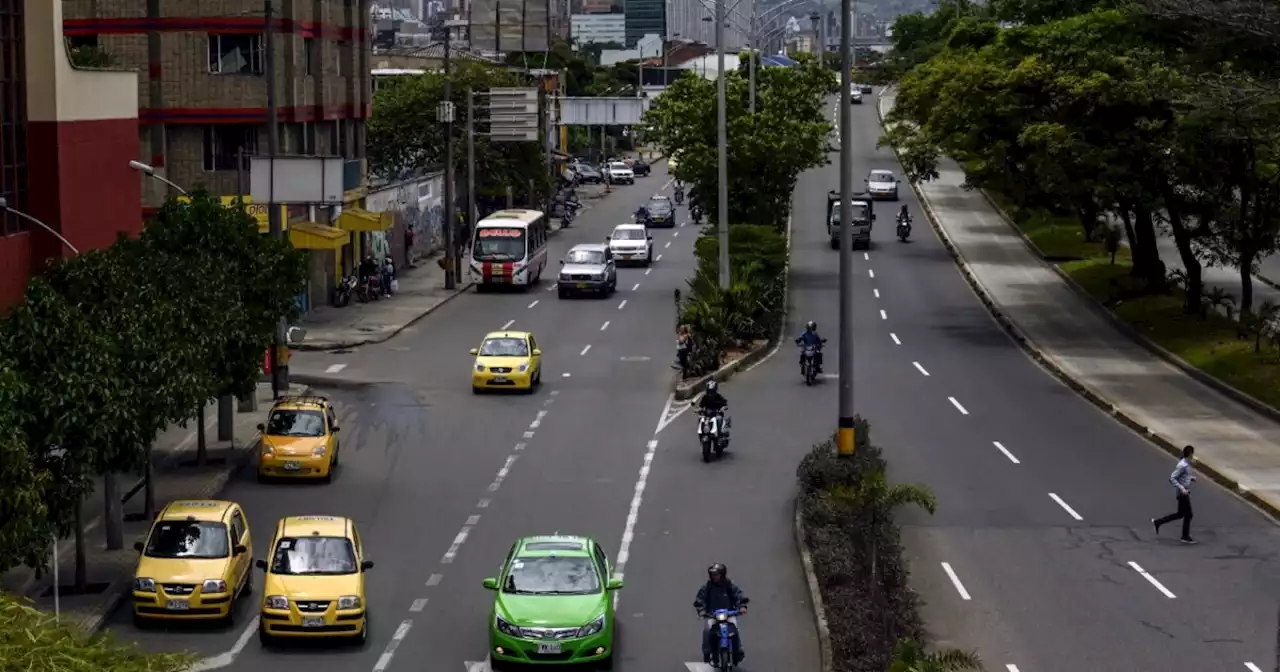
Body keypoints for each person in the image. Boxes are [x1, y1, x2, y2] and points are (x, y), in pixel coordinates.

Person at [693, 563, 748, 664]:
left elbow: (739, 595)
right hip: (712, 615)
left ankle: (738, 651)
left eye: (717, 574)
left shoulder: (729, 585)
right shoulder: (707, 587)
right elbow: (700, 600)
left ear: (722, 575)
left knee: (735, 629)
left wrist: (742, 606)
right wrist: (702, 611)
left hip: (729, 614)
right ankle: (707, 652)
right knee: (707, 630)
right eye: (713, 574)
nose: (714, 577)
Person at [1153, 445, 1197, 544]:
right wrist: (1182, 488)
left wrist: (1190, 478)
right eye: (1192, 454)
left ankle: (1158, 522)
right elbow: (1172, 478)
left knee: (1180, 514)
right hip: (1182, 492)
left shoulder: (1185, 464)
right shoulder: (1182, 465)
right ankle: (1185, 536)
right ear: (1190, 454)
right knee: (1188, 515)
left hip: (1184, 491)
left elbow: (1183, 476)